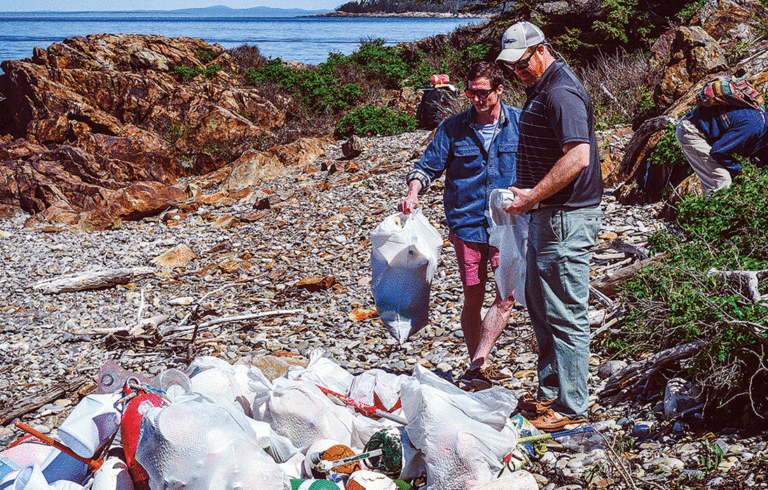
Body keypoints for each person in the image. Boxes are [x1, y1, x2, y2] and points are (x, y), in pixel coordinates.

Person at [497, 21, 603, 431]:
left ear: (542, 50)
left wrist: (533, 194)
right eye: (512, 68)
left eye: (522, 64)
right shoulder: (541, 87)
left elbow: (578, 156)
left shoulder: (560, 91)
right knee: (541, 306)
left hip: (565, 215)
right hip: (546, 212)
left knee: (564, 310)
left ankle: (572, 405)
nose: (517, 73)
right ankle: (550, 391)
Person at [398, 61, 521, 391]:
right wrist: (413, 193)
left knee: (506, 296)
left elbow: (541, 164)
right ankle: (476, 368)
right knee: (473, 298)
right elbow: (427, 167)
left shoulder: (521, 124)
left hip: (507, 224)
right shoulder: (452, 128)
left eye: (482, 93)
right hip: (466, 225)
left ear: (499, 90)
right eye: (471, 92)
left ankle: (480, 358)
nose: (476, 99)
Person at [676, 104, 768, 195]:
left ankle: (709, 204)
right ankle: (713, 208)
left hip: (703, 130)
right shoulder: (753, 126)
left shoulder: (762, 124)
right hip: (691, 131)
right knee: (721, 179)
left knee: (715, 182)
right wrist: (739, 170)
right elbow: (718, 151)